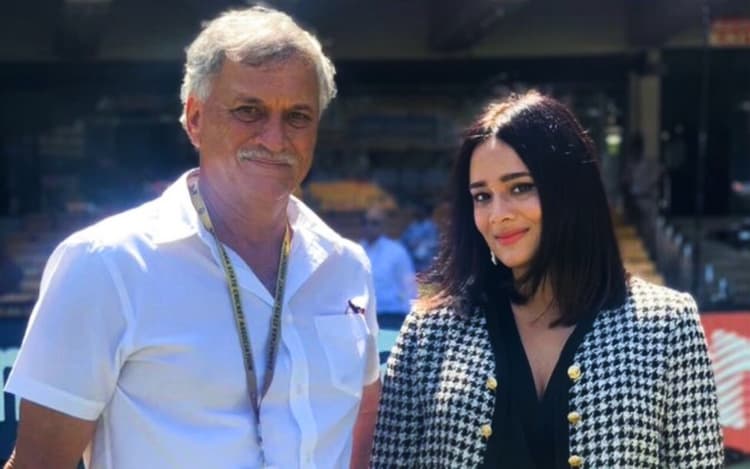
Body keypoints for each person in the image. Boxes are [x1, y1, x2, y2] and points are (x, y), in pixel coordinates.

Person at [4, 7, 380, 469]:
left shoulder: (346, 266)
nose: (275, 138)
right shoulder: (105, 264)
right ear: (195, 118)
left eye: (298, 116)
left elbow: (362, 420)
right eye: (249, 111)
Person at [371, 91, 723, 468]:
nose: (498, 214)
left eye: (520, 188)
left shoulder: (667, 327)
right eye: (482, 196)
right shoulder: (429, 334)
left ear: (570, 191)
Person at [360, 206, 417, 329]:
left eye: (374, 223)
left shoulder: (396, 251)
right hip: (364, 316)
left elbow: (409, 287)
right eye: (364, 222)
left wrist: (411, 319)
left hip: (391, 315)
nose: (368, 227)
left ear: (383, 226)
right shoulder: (357, 251)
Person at [400, 202, 439, 273]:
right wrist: (410, 243)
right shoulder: (413, 225)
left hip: (425, 258)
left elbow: (433, 242)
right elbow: (404, 239)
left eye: (421, 210)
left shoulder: (430, 226)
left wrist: (419, 244)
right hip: (412, 256)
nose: (418, 212)